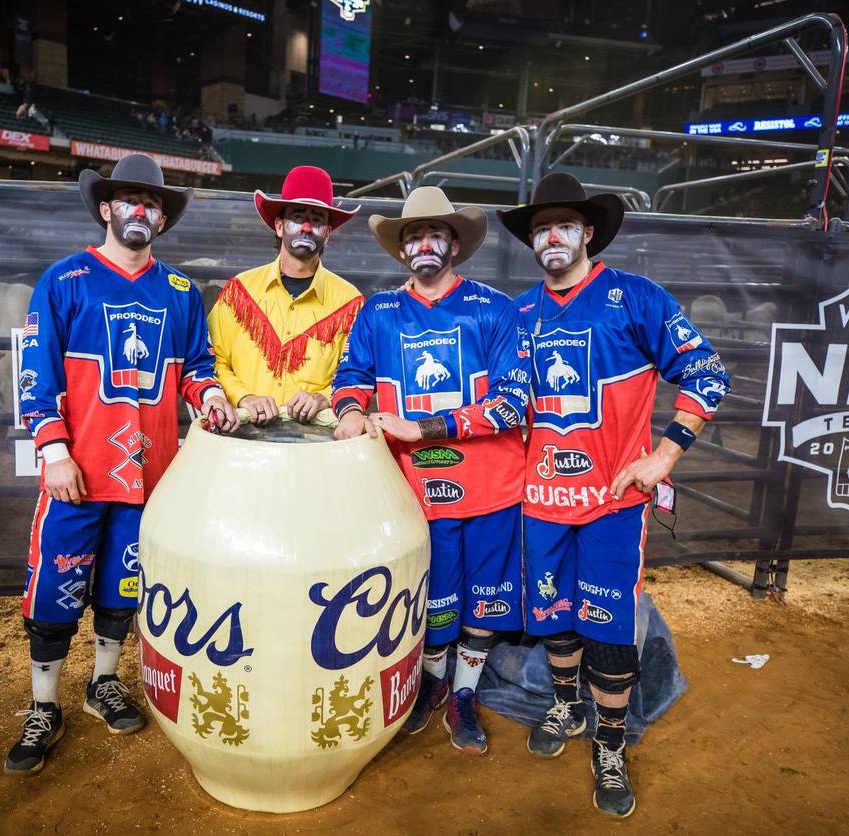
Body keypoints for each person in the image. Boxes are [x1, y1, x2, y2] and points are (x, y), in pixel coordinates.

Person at [496, 172, 730, 817]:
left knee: (607, 628)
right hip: (541, 500)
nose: (550, 237)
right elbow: (508, 403)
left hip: (611, 504)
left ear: (588, 233)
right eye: (541, 227)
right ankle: (568, 707)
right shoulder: (520, 314)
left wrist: (664, 456)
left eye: (563, 225)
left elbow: (706, 373)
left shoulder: (636, 298)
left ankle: (610, 743)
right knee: (555, 619)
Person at [6, 154, 238, 775]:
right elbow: (35, 374)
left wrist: (210, 397)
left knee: (123, 589)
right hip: (77, 475)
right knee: (57, 587)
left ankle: (102, 684)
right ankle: (43, 704)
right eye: (130, 200)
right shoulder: (64, 279)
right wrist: (53, 449)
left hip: (150, 478)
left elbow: (198, 369)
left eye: (153, 203)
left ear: (162, 218)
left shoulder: (182, 292)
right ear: (106, 209)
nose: (143, 211)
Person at [332, 186, 529, 753]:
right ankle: (433, 683)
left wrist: (425, 429)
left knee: (486, 600)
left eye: (434, 233)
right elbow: (350, 378)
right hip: (413, 493)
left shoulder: (495, 309)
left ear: (454, 244)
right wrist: (348, 412)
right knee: (432, 598)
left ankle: (464, 694)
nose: (423, 243)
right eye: (413, 235)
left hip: (492, 488)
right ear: (401, 250)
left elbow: (514, 402)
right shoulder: (379, 312)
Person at [208, 166, 362, 425]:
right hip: (243, 442)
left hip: (317, 446)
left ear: (328, 233)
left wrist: (322, 397)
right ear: (279, 226)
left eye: (317, 220)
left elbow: (358, 375)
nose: (306, 227)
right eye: (297, 216)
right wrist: (244, 397)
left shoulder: (351, 303)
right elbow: (212, 360)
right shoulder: (238, 292)